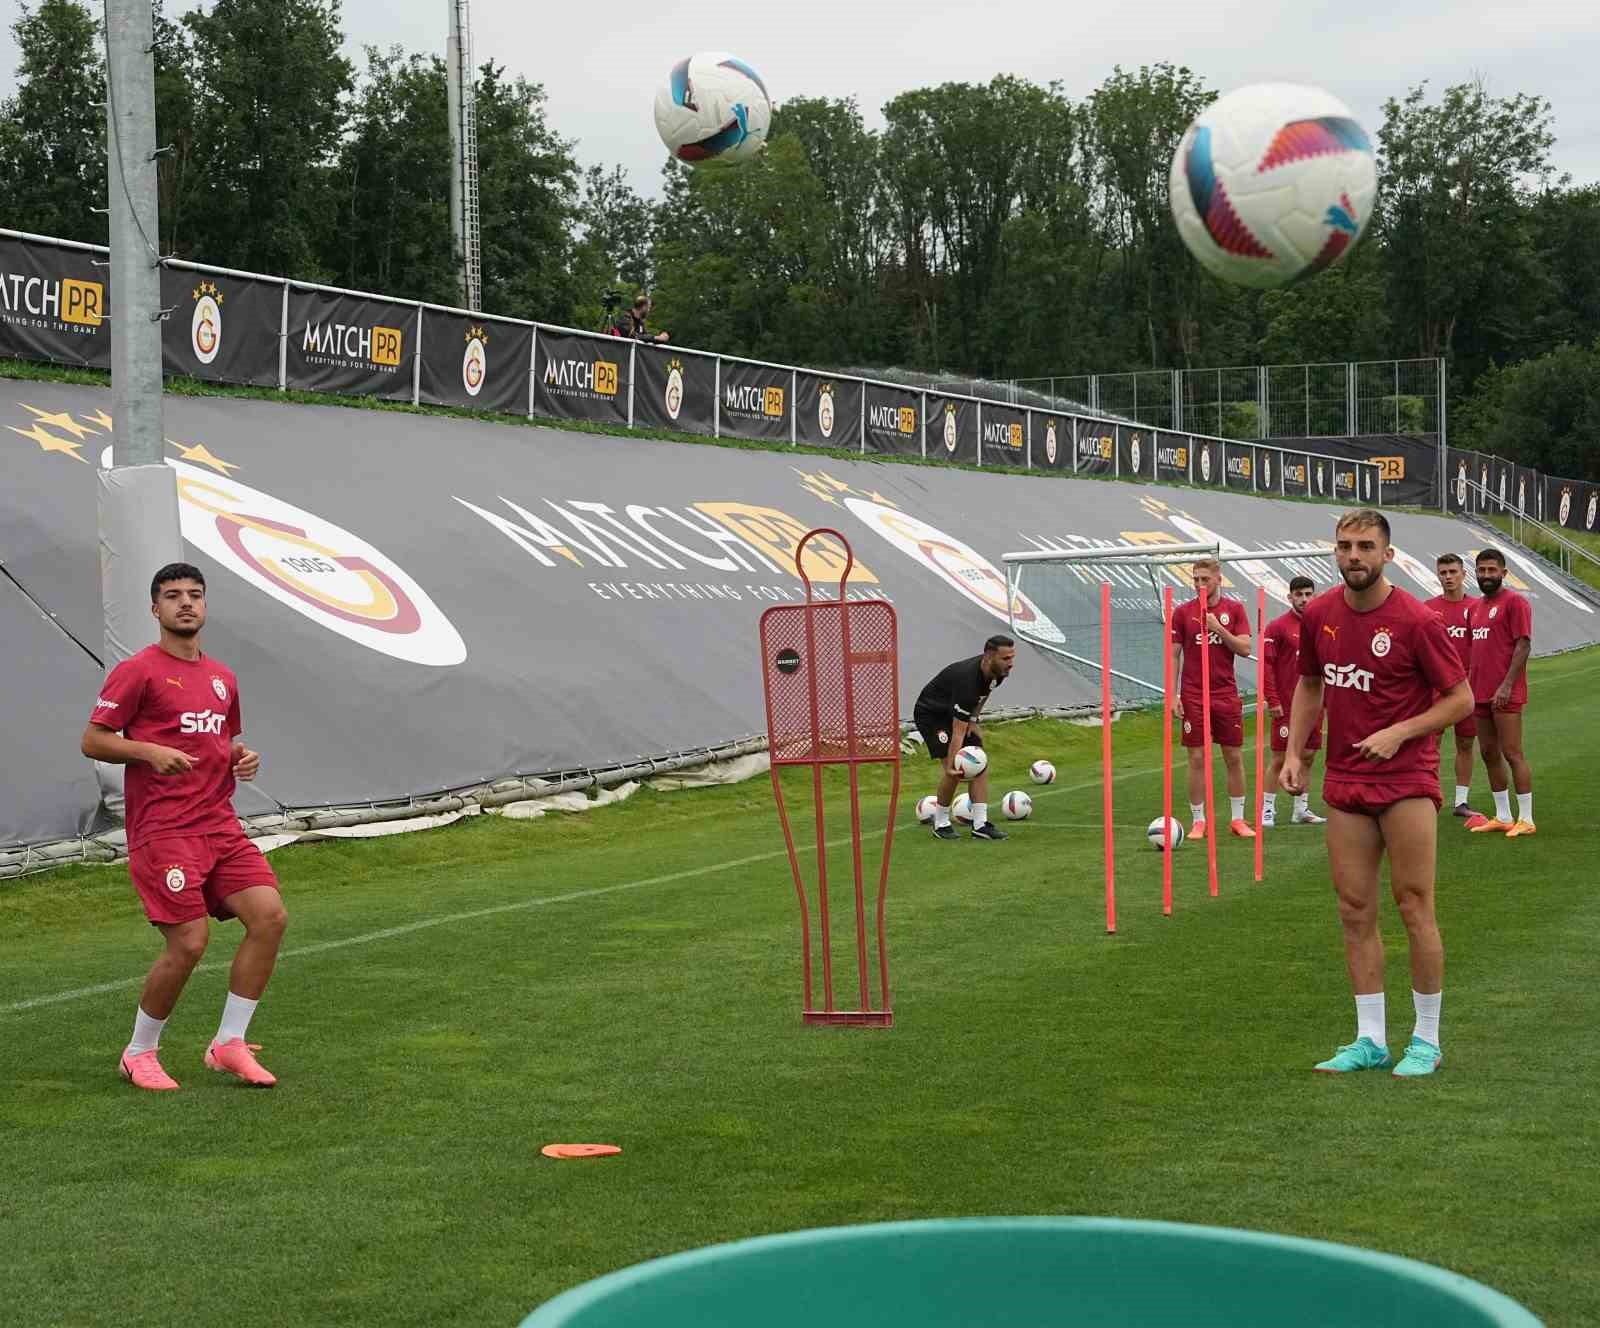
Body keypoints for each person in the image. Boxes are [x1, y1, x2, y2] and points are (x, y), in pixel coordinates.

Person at [80, 563, 288, 1091]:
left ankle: (229, 1044)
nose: (185, 604)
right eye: (172, 596)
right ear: (156, 609)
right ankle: (139, 1052)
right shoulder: (138, 672)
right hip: (164, 830)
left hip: (219, 825)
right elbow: (94, 739)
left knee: (269, 917)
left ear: (205, 605)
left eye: (194, 595)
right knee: (189, 943)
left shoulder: (223, 677)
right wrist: (147, 751)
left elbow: (223, 740)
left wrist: (242, 757)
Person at [1283, 509, 1471, 1078]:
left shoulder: (1416, 620)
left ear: (1388, 554)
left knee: (1414, 906)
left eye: (1366, 546)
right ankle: (1370, 1040)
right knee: (1354, 910)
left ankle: (1427, 1040)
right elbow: (1311, 683)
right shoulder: (1319, 614)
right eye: (1345, 546)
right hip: (1345, 782)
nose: (1354, 556)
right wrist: (1295, 753)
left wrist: (1401, 731)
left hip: (1407, 780)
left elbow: (1460, 699)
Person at [1170, 556, 1255, 840]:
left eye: (1205, 579)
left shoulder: (1235, 609)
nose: (1199, 584)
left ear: (1219, 579)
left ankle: (1238, 819)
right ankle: (1198, 821)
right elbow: (1174, 654)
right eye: (1195, 579)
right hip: (1194, 694)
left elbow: (1244, 648)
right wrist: (1173, 694)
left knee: (1233, 756)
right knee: (1196, 758)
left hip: (1225, 694)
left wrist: (1218, 628)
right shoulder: (1182, 612)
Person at [914, 635, 1016, 841]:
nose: (1011, 663)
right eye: (1006, 658)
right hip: (932, 715)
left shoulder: (999, 672)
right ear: (989, 656)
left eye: (1012, 657)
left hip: (957, 713)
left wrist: (974, 719)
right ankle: (941, 823)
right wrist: (952, 763)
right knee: (955, 769)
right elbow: (957, 731)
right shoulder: (967, 682)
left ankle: (980, 825)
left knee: (980, 762)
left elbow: (986, 692)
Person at [1465, 548, 1535, 836]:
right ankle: (1503, 815)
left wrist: (1506, 685)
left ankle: (1527, 819)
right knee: (1488, 753)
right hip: (1480, 694)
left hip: (1506, 693)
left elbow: (1523, 645)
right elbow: (1475, 652)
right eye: (1481, 570)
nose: (1486, 575)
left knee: (1512, 753)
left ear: (1503, 573)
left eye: (1492, 570)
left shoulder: (1515, 603)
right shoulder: (1475, 608)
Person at [1260, 575, 1327, 828]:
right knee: (1280, 758)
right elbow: (1267, 667)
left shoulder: (1321, 626)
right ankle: (1267, 810)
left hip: (1315, 705)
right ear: (1289, 597)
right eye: (1298, 595)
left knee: (1308, 755)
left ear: (1314, 595)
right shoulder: (1277, 627)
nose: (1304, 599)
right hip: (1287, 705)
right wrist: (1273, 699)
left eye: (1308, 594)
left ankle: (1301, 809)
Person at [1423, 552, 1480, 818]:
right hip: (1436, 688)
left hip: (1468, 688)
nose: (1448, 577)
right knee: (1430, 742)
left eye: (1453, 572)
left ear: (1463, 574)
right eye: (1443, 573)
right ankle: (1429, 796)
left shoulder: (1477, 607)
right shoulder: (1427, 608)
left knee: (1466, 743)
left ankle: (1461, 802)